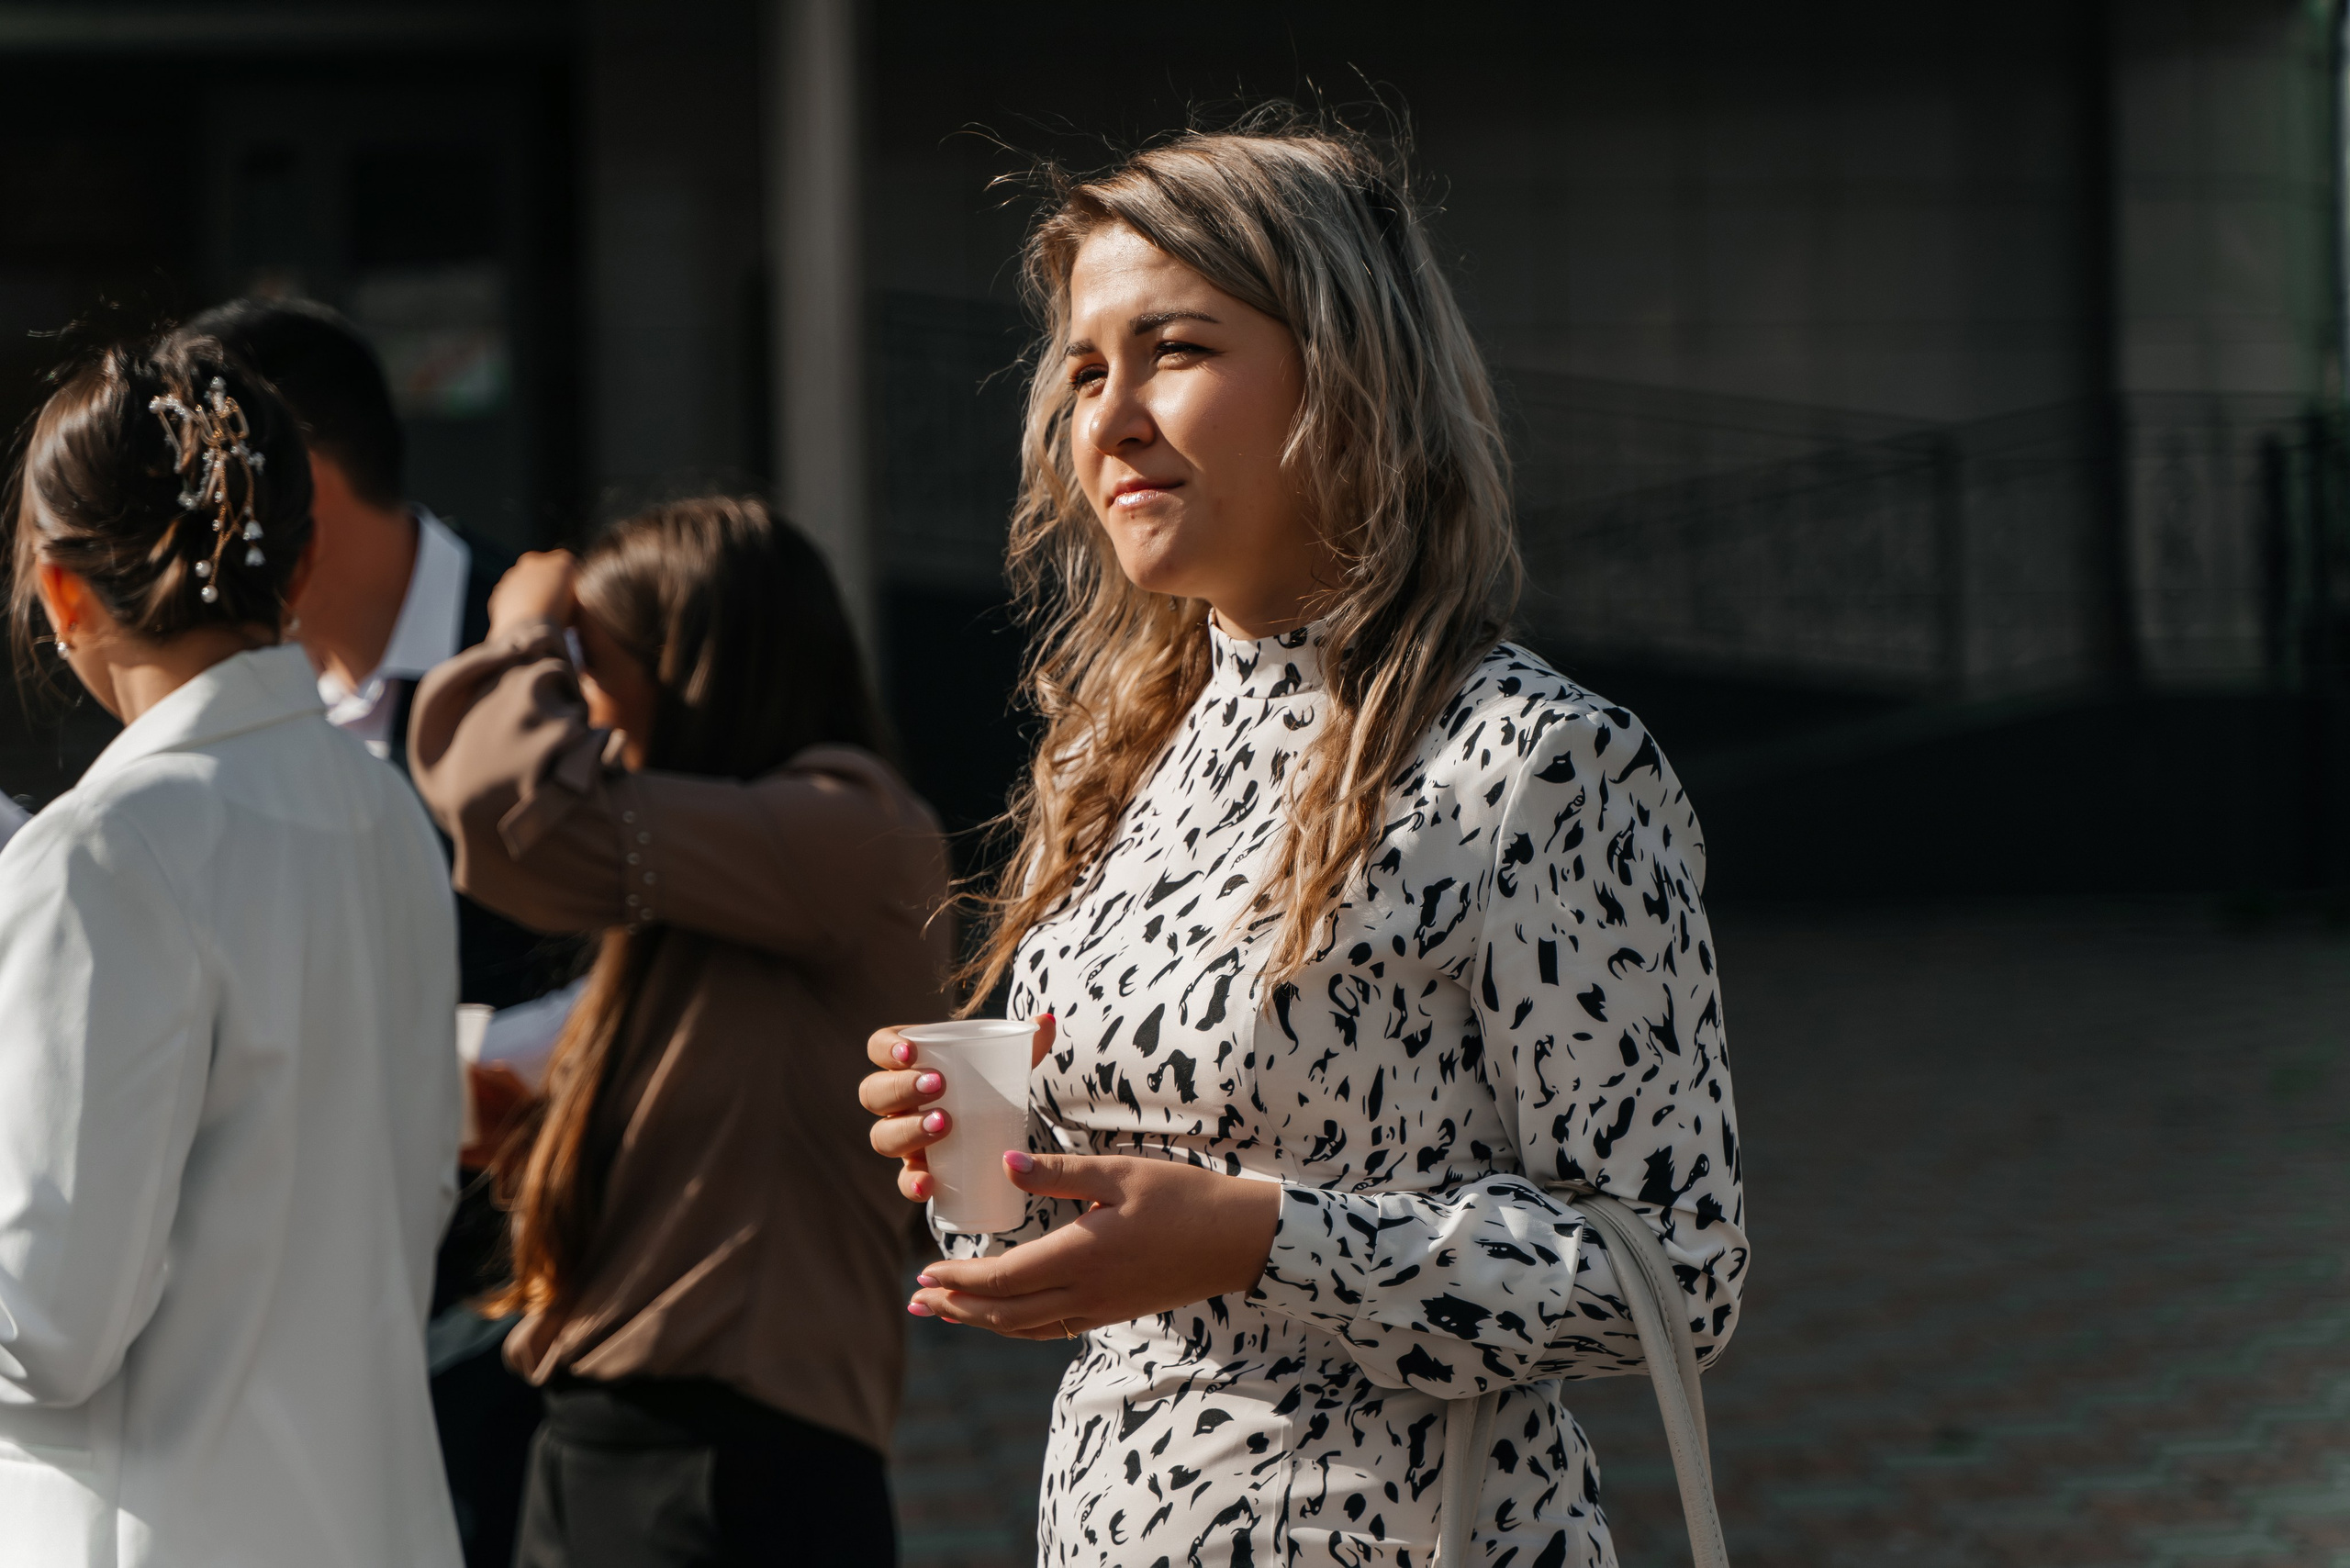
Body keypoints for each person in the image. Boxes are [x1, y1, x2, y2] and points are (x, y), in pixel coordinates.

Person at [859, 120, 1750, 1566]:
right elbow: (1112, 1240)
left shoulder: (1534, 762)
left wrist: (1256, 1236)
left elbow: (1674, 1272)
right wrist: (987, 1178)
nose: (1111, 418)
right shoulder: (1118, 752)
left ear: (1346, 376)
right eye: (1083, 372)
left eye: (1174, 351)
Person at [408, 496, 952, 1568]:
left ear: (693, 673)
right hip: (618, 1444)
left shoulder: (845, 830)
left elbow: (508, 803)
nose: (585, 713)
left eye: (591, 669)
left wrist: (521, 633)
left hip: (725, 1463)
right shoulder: (728, 868)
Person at [0, 336, 462, 1565]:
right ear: (300, 563)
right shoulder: (387, 815)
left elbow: (43, 1326)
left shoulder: (99, 853)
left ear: (60, 593)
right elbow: (416, 1206)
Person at [184, 295, 560, 1567]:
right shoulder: (232, 702)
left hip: (534, 1341)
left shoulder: (544, 641)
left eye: (196, 488)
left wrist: (474, 1059)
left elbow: (662, 947)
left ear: (293, 479)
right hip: (309, 1360)